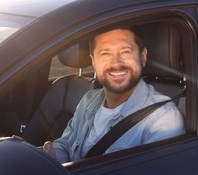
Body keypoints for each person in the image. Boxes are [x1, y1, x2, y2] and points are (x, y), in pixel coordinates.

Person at [42, 26, 185, 163]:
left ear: (143, 57)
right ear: (94, 62)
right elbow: (65, 145)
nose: (116, 63)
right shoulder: (88, 100)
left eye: (126, 52)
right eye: (105, 53)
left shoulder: (163, 119)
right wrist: (49, 157)